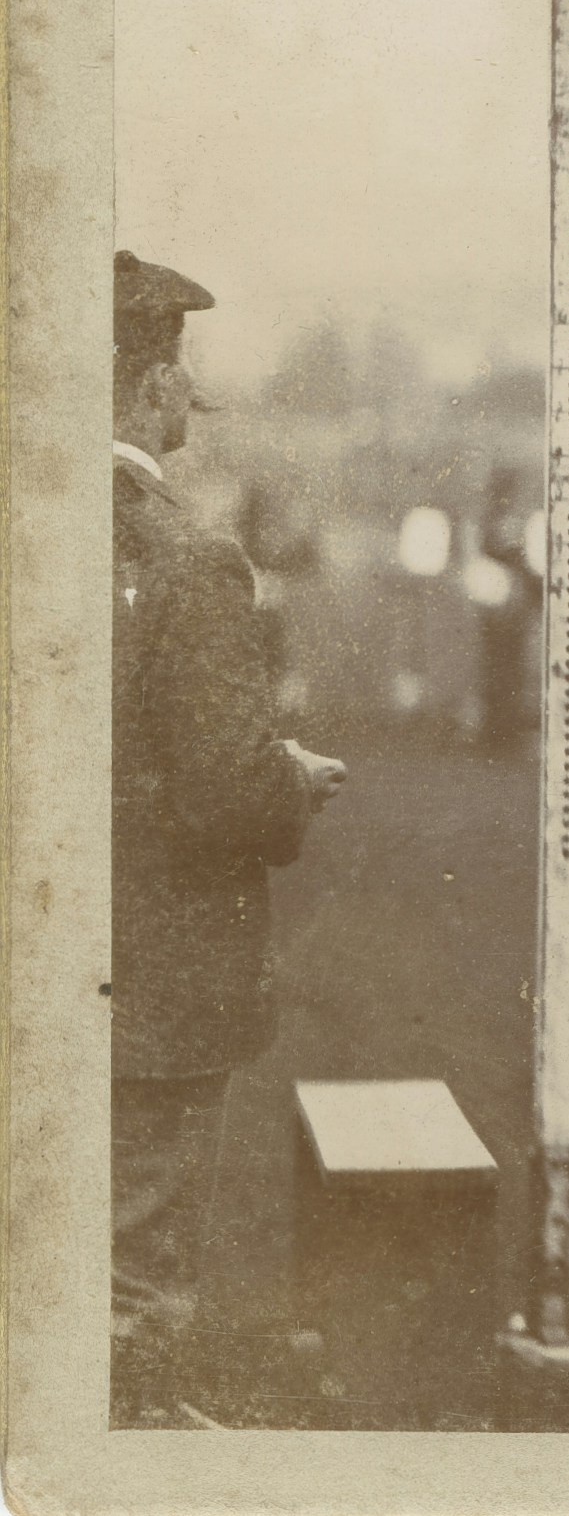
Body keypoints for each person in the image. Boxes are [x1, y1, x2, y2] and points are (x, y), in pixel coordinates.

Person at [108, 252, 344, 1421]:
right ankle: (132, 1436)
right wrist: (290, 781)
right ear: (152, 387)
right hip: (148, 964)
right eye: (179, 373)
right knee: (133, 1253)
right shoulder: (188, 557)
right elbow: (222, 791)